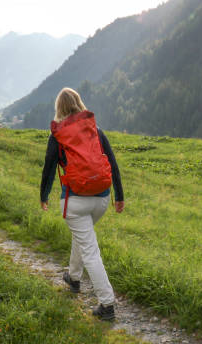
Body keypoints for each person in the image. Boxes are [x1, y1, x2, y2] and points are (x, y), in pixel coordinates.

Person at [40, 87, 124, 321]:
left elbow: (48, 167)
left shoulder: (58, 136)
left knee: (90, 250)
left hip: (75, 201)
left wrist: (43, 195)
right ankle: (74, 278)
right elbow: (112, 163)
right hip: (102, 199)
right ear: (79, 103)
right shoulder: (95, 130)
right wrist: (120, 196)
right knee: (84, 238)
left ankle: (107, 304)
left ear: (59, 108)